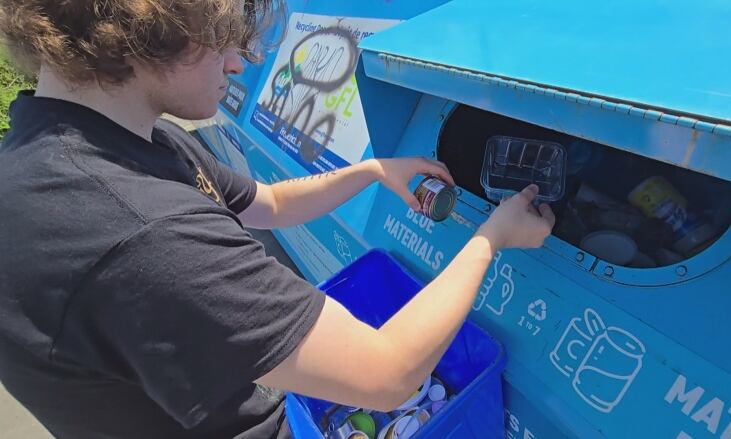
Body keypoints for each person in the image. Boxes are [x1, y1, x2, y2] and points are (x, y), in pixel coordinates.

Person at [0, 0, 555, 437]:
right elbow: (387, 375)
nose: (241, 62)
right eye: (219, 38)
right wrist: (493, 236)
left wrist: (371, 170)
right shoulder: (140, 228)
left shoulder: (91, 145)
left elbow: (269, 203)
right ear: (146, 29)